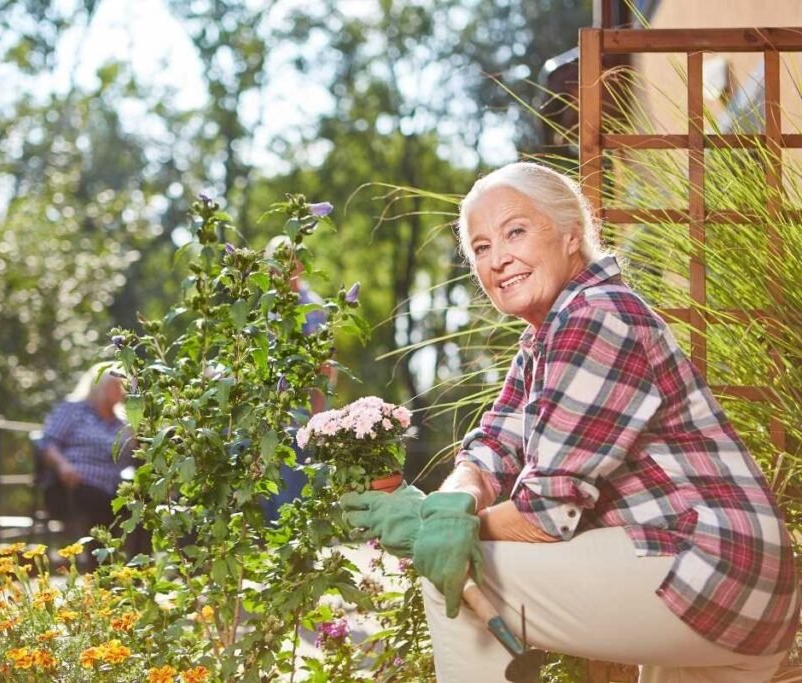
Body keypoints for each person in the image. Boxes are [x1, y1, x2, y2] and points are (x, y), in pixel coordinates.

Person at [342, 162, 799, 682]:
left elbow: (545, 514)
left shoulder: (595, 316)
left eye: (515, 231)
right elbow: (492, 445)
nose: (499, 259)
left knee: (457, 574)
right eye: (482, 248)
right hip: (731, 578)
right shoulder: (547, 335)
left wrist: (434, 529)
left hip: (710, 568)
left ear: (570, 235)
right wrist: (453, 504)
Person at [39, 362, 148, 559]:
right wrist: (63, 466)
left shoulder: (122, 422)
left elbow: (138, 451)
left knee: (145, 506)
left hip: (114, 487)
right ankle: (99, 571)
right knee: (99, 505)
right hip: (74, 485)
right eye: (117, 385)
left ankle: (140, 569)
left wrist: (135, 408)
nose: (121, 390)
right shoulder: (73, 410)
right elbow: (47, 442)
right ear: (100, 386)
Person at [262, 235, 335, 522]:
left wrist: (317, 418)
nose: (277, 271)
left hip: (301, 420)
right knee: (270, 499)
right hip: (270, 420)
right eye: (274, 265)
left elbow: (324, 367)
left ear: (298, 267)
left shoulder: (312, 308)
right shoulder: (268, 309)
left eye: (285, 263)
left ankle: (296, 562)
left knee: (295, 498)